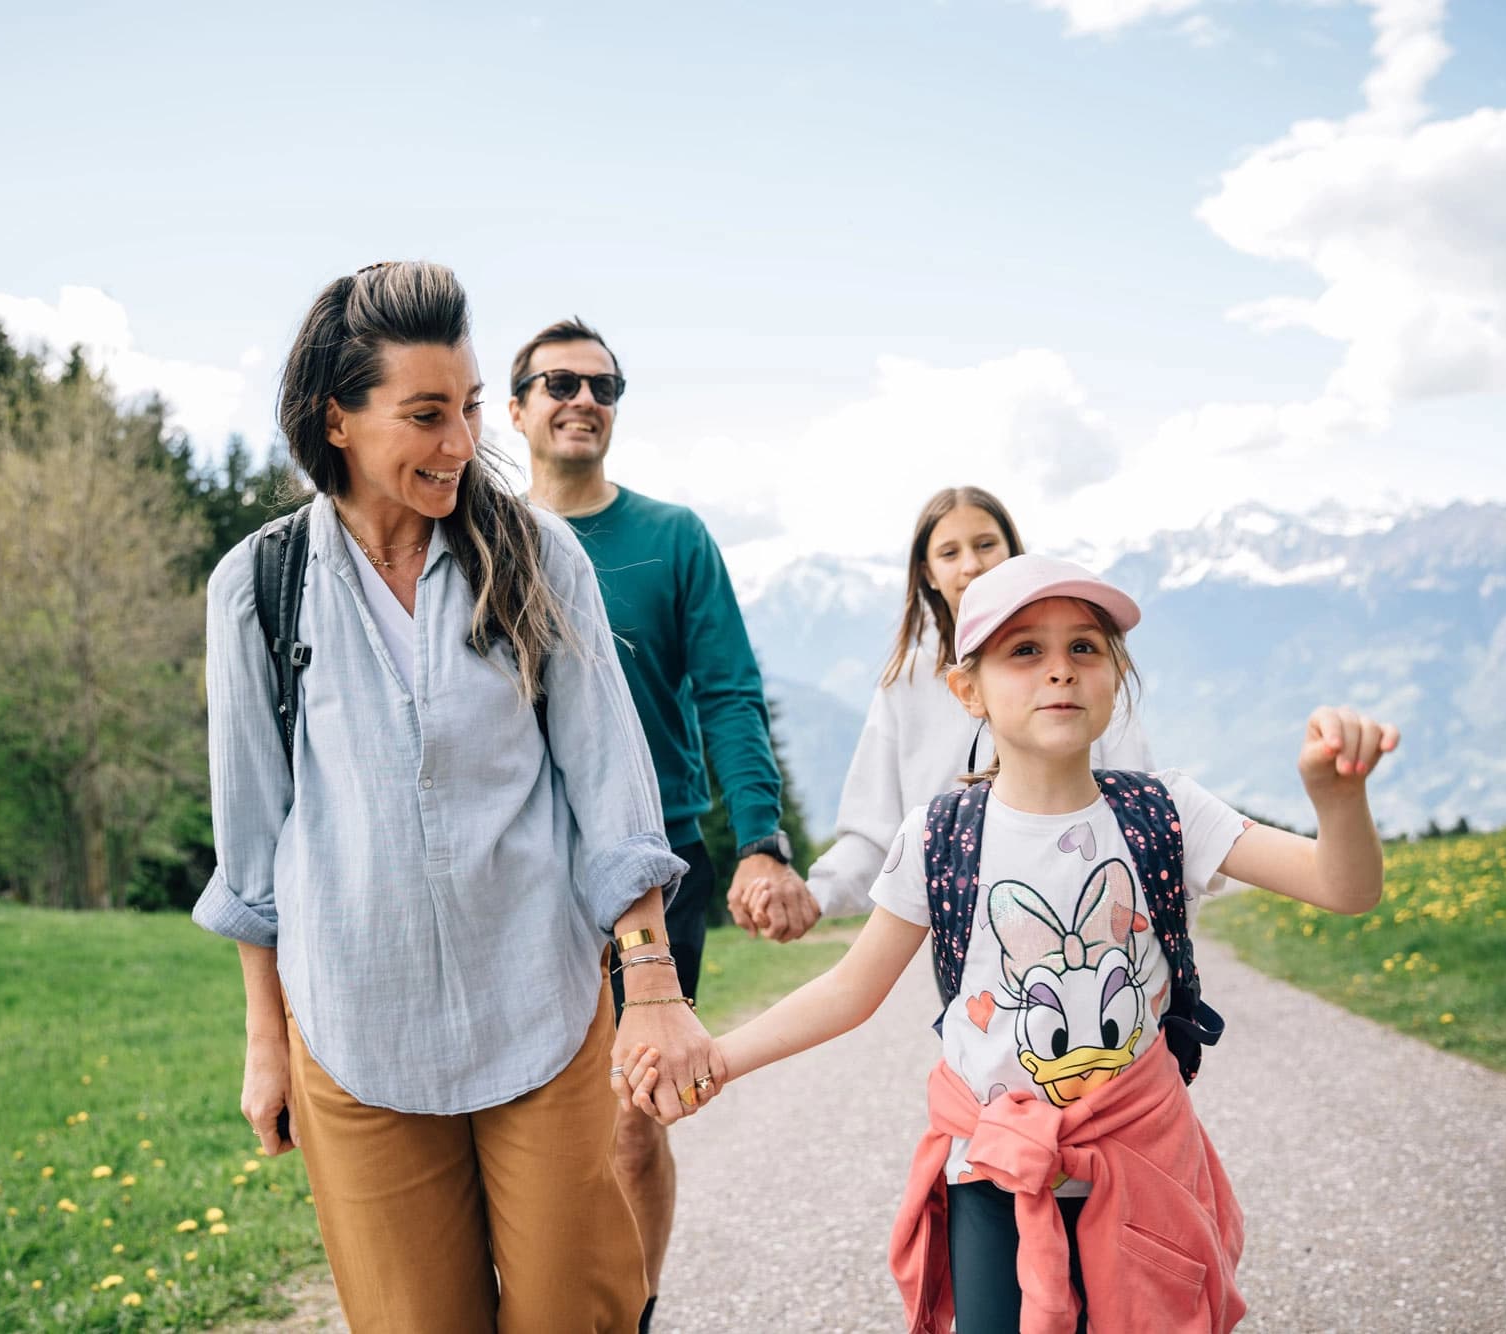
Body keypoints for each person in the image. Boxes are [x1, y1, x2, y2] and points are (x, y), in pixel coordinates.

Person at [623, 554, 1399, 1333]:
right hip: (992, 1174)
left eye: (1085, 648)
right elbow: (848, 990)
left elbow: (1344, 887)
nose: (1059, 671)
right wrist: (720, 1059)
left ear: (1116, 677)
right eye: (1025, 651)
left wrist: (1339, 801)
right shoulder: (938, 837)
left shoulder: (1168, 812)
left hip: (1142, 1168)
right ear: (968, 691)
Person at [194, 263, 722, 1334]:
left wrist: (653, 981)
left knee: (577, 1312)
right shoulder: (257, 586)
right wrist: (266, 1040)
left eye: (471, 406)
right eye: (425, 414)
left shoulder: (534, 553)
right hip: (354, 1026)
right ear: (334, 417)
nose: (458, 441)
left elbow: (611, 787)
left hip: (539, 1004)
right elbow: (251, 843)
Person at [510, 316, 812, 1330]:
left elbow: (728, 691)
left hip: (657, 858)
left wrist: (760, 840)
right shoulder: (482, 537)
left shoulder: (671, 537)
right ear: (514, 409)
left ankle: (630, 1314)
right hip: (514, 869)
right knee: (528, 1119)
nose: (581, 398)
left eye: (603, 385)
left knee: (638, 1114)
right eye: (557, 381)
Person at [733, 486, 1154, 940]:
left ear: (1014, 552)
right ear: (928, 573)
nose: (971, 564)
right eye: (950, 552)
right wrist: (813, 896)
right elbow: (876, 836)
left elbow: (1143, 810)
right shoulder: (906, 683)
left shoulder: (1073, 668)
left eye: (986, 544)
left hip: (1092, 916)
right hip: (966, 941)